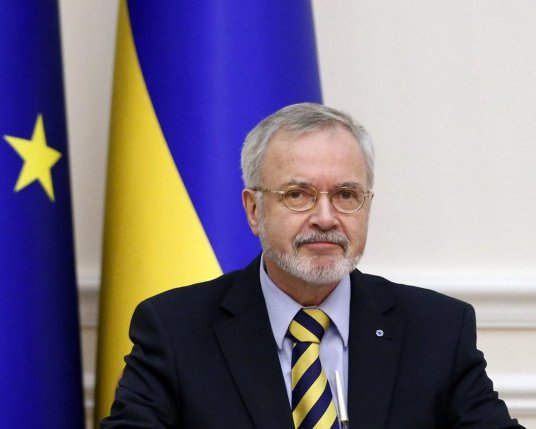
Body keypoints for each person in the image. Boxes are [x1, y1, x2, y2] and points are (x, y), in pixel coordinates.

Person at [101, 103, 524, 428]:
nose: (326, 218)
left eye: (345, 195)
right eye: (298, 195)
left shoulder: (436, 330)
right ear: (254, 210)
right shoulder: (175, 330)